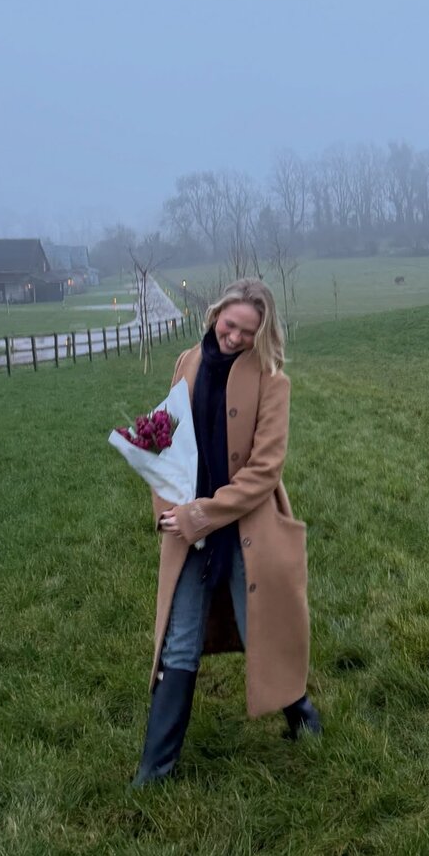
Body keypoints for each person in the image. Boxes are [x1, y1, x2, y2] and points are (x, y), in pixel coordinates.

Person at [133, 277, 321, 786]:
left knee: (263, 626)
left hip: (247, 526)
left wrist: (204, 514)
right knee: (178, 641)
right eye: (230, 324)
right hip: (186, 528)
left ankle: (301, 715)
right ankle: (154, 771)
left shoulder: (273, 381)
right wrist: (169, 510)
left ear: (263, 333)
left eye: (247, 331)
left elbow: (265, 471)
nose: (234, 337)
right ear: (216, 314)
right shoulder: (187, 362)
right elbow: (164, 439)